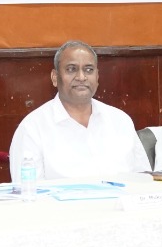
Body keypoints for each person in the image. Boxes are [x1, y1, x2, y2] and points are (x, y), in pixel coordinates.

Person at [8, 40, 150, 179]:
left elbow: (144, 180)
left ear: (97, 77)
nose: (81, 77)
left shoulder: (120, 121)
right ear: (55, 77)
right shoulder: (32, 128)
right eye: (71, 69)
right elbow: (27, 193)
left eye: (89, 70)